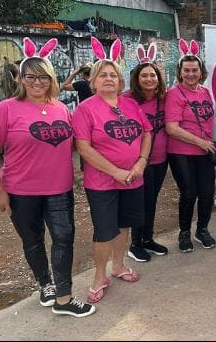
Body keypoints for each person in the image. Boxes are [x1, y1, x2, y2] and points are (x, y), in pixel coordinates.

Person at [0, 38, 95, 317]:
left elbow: (75, 144)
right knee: (32, 240)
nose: (37, 82)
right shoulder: (5, 109)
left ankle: (63, 297)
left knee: (64, 237)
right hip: (21, 190)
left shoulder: (61, 108)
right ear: (22, 79)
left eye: (43, 77)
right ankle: (45, 283)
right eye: (30, 76)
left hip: (59, 189)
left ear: (51, 79)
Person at [72, 38, 152, 303]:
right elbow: (83, 147)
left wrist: (141, 161)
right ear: (93, 81)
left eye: (113, 75)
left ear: (120, 81)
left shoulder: (130, 104)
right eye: (103, 75)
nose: (109, 79)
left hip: (133, 178)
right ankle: (99, 276)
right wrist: (115, 171)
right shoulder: (85, 109)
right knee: (105, 230)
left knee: (124, 225)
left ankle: (118, 266)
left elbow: (147, 132)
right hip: (102, 182)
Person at [165, 39, 216, 253]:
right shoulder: (174, 94)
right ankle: (184, 232)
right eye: (186, 70)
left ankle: (202, 229)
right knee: (189, 193)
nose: (190, 74)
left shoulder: (205, 92)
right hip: (182, 152)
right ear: (180, 72)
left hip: (205, 151)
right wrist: (200, 142)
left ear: (200, 71)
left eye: (194, 70)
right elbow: (172, 128)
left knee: (207, 193)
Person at [125, 44, 169, 262]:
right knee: (138, 202)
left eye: (153, 75)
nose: (149, 79)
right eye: (145, 75)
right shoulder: (127, 100)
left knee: (151, 201)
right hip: (138, 161)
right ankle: (135, 244)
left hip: (161, 159)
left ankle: (148, 239)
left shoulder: (164, 99)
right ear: (137, 78)